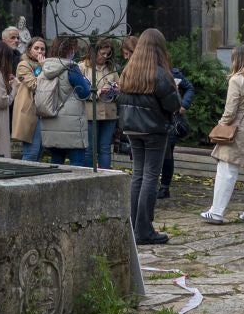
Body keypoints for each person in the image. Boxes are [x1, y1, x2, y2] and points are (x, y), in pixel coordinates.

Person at [117, 27, 182, 244]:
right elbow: (173, 104)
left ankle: (135, 225)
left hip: (132, 129)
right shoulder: (159, 74)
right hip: (154, 129)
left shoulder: (129, 70)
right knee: (151, 176)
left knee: (138, 175)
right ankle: (143, 229)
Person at [200, 45, 244, 224]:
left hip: (238, 130)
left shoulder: (236, 80)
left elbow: (230, 111)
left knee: (227, 171)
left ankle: (217, 212)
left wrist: (221, 126)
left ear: (238, 60)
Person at [36, 35, 93, 166]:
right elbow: (84, 92)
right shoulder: (71, 68)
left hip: (51, 122)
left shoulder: (45, 68)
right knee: (77, 165)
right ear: (70, 50)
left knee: (56, 163)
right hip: (72, 126)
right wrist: (88, 83)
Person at [157, 58, 194, 198]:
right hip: (156, 119)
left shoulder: (173, 73)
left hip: (172, 119)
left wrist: (184, 104)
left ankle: (164, 187)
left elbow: (189, 87)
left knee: (167, 154)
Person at [83, 36, 122, 170]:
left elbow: (120, 86)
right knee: (90, 148)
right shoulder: (83, 66)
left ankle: (105, 176)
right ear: (94, 51)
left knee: (105, 148)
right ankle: (87, 178)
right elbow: (78, 92)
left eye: (108, 53)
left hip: (109, 113)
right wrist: (98, 91)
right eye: (102, 53)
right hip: (89, 113)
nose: (105, 56)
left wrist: (115, 89)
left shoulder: (111, 68)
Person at [12, 36, 47, 160]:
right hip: (29, 111)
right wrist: (44, 69)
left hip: (43, 111)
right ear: (29, 49)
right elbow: (34, 85)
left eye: (42, 49)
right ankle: (24, 179)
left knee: (39, 153)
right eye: (36, 48)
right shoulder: (23, 64)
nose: (39, 51)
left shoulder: (45, 65)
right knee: (31, 152)